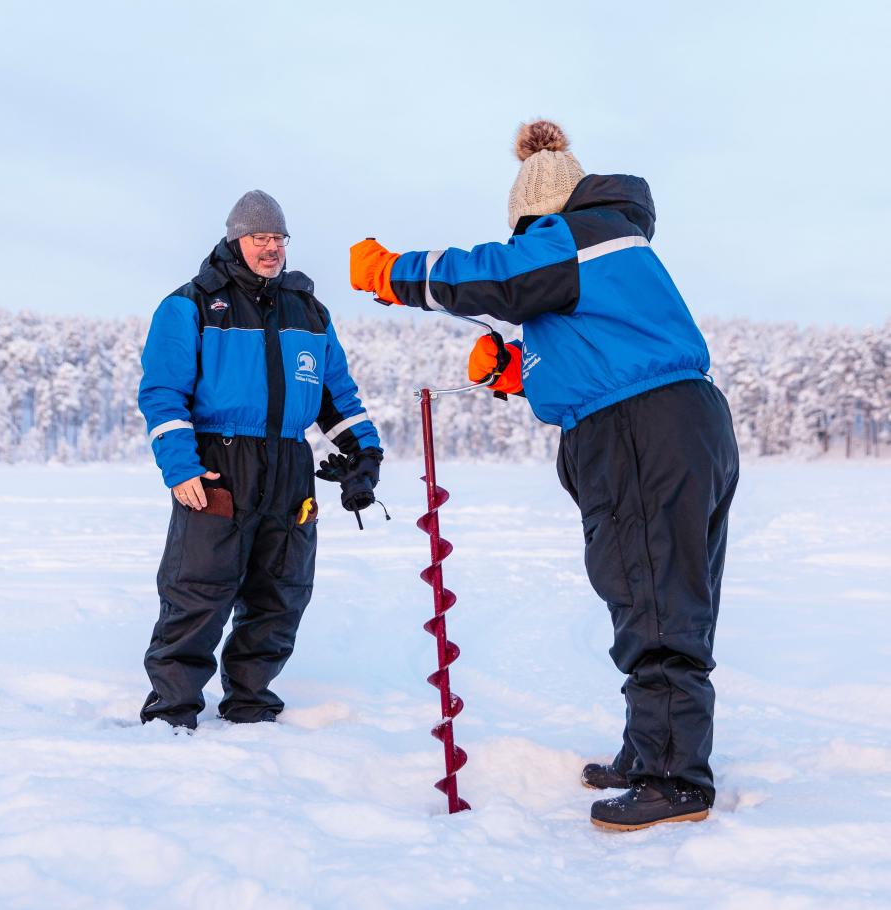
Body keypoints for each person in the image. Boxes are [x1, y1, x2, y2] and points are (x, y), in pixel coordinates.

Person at [348, 121, 739, 831]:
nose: (528, 245)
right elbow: (599, 348)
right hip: (669, 425)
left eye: (527, 231)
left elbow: (493, 273)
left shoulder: (579, 236)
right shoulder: (611, 249)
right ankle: (651, 748)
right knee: (655, 586)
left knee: (652, 595)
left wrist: (394, 272)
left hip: (640, 433)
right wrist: (517, 372)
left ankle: (677, 778)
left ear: (540, 213)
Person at [138, 190, 382, 730]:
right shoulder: (191, 303)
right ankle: (173, 710)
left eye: (278, 239)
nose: (271, 249)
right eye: (259, 238)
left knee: (281, 591)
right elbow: (162, 394)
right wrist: (179, 467)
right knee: (199, 589)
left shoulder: (309, 311)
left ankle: (251, 702)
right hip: (217, 462)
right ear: (235, 240)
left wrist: (364, 451)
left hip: (290, 465)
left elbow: (334, 394)